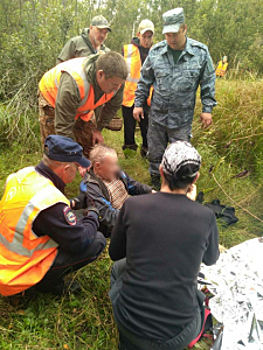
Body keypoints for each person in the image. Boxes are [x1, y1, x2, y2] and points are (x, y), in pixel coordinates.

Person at [109, 141, 220, 350]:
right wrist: (191, 206)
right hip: (178, 335)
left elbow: (115, 253)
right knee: (196, 295)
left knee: (118, 269)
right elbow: (211, 258)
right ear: (195, 179)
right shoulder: (205, 217)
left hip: (130, 324)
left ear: (161, 171)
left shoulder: (133, 206)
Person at [0, 135, 106, 296]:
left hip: (6, 257)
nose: (78, 173)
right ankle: (47, 284)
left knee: (74, 220)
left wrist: (73, 203)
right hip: (16, 274)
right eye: (76, 167)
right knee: (96, 240)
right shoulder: (49, 202)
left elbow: (38, 211)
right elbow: (79, 242)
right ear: (65, 169)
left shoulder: (22, 175)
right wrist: (92, 214)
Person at [133, 8, 217, 190]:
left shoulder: (200, 53)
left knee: (181, 156)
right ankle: (156, 185)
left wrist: (207, 110)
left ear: (184, 28)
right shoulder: (156, 52)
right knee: (155, 153)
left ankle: (179, 189)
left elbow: (208, 81)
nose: (171, 39)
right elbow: (144, 80)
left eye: (175, 34)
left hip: (181, 119)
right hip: (157, 116)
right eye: (167, 34)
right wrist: (138, 104)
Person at [38, 52, 128, 158]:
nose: (117, 89)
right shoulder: (73, 83)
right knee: (58, 148)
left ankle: (85, 167)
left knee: (89, 144)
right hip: (52, 99)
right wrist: (76, 156)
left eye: (119, 85)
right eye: (114, 85)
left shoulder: (117, 81)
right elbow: (63, 128)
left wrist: (98, 129)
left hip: (82, 104)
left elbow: (113, 106)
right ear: (100, 74)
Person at [74, 144, 152, 237]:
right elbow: (107, 216)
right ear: (98, 166)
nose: (117, 168)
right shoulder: (90, 186)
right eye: (112, 165)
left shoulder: (117, 172)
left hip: (128, 211)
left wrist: (151, 192)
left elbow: (133, 186)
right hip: (116, 224)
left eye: (116, 164)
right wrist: (136, 217)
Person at [122, 19, 154, 158]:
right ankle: (129, 151)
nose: (146, 40)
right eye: (144, 36)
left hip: (148, 98)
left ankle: (146, 150)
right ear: (138, 34)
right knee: (129, 126)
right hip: (129, 96)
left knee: (147, 126)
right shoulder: (127, 50)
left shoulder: (157, 51)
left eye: (149, 37)